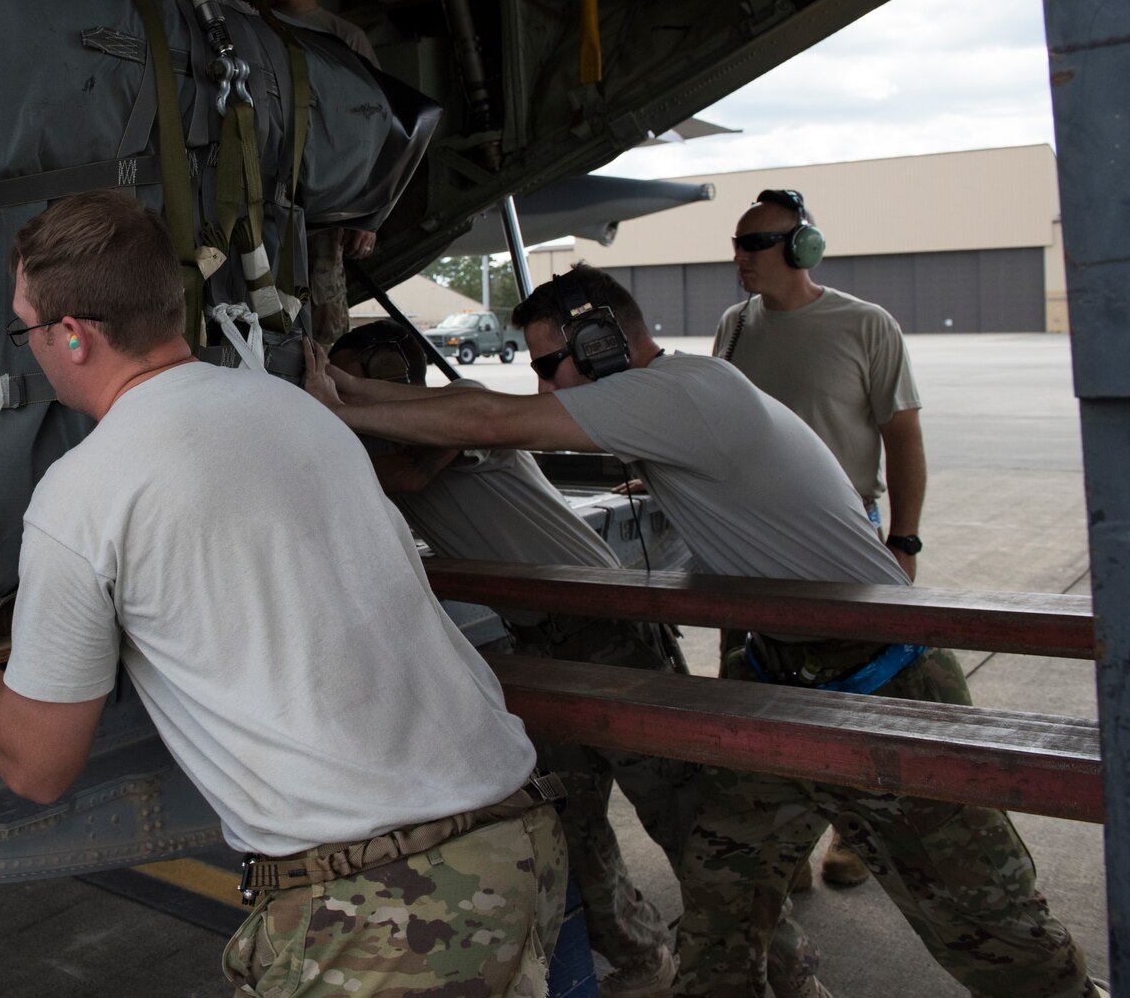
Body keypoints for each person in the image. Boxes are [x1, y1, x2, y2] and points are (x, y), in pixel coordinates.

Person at [306, 263, 1096, 998]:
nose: (547, 383)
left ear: (604, 343)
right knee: (722, 893)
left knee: (989, 932)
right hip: (782, 676)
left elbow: (488, 413)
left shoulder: (681, 390)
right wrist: (339, 388)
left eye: (553, 363)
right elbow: (477, 409)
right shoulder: (664, 390)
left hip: (884, 677)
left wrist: (334, 408)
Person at [0, 190, 567, 996]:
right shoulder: (297, 413)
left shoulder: (87, 490)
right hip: (514, 843)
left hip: (385, 909)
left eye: (25, 327)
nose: (28, 346)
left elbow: (38, 764)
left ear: (72, 334)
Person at [325, 321, 820, 998]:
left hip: (609, 633)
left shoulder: (457, 412)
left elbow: (408, 474)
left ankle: (791, 974)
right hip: (540, 639)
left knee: (686, 819)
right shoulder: (381, 440)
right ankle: (643, 953)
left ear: (388, 372)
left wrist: (323, 416)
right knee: (568, 824)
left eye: (360, 375)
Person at [719, 188, 927, 888]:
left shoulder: (866, 325)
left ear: (801, 246)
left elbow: (903, 438)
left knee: (856, 697)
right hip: (749, 551)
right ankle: (781, 841)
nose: (741, 258)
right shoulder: (736, 326)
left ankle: (853, 833)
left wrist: (905, 540)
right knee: (753, 700)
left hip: (839, 545)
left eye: (756, 244)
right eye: (738, 245)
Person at [250, 0, 377, 347]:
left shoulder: (344, 41)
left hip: (321, 213)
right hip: (256, 200)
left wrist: (368, 216)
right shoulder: (249, 29)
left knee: (324, 335)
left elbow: (373, 136)